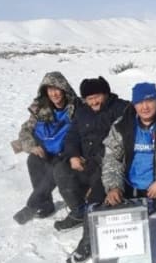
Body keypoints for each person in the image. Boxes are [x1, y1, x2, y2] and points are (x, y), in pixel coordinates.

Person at [67, 82, 156, 263]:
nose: (145, 106)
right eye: (140, 102)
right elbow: (112, 158)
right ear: (134, 105)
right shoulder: (122, 125)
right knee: (95, 195)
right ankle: (88, 243)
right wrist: (113, 186)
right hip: (128, 181)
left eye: (150, 100)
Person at [53, 76, 129, 231]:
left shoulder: (122, 109)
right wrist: (73, 155)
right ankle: (78, 212)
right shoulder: (82, 112)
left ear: (106, 93)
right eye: (89, 98)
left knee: (98, 186)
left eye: (97, 97)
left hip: (109, 163)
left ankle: (96, 213)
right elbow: (71, 136)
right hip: (85, 161)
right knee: (61, 169)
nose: (94, 102)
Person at [11, 71, 80, 225]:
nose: (54, 94)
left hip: (66, 152)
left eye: (57, 89)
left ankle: (32, 204)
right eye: (49, 90)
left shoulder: (76, 107)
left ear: (64, 89)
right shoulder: (40, 108)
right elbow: (25, 130)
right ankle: (45, 204)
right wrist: (32, 146)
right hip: (46, 150)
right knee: (33, 160)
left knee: (54, 169)